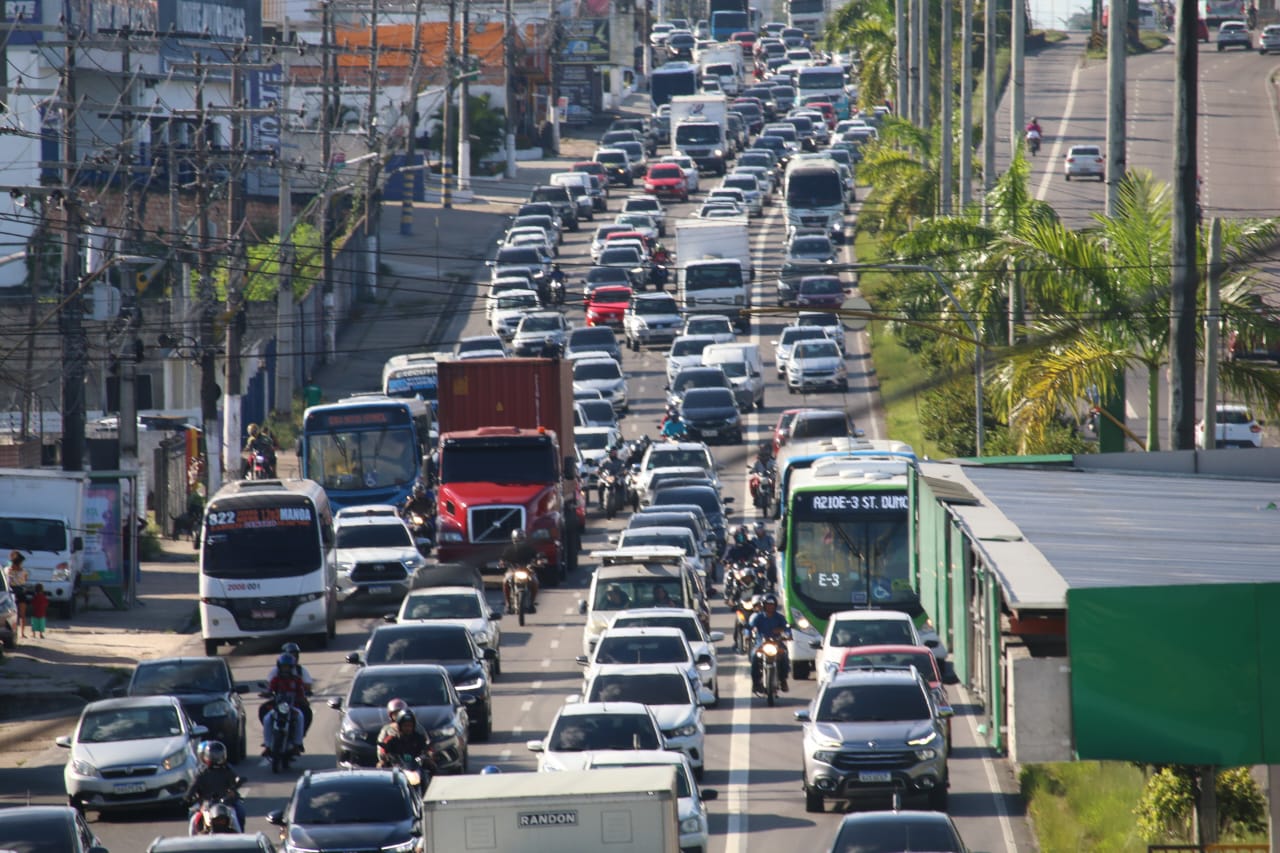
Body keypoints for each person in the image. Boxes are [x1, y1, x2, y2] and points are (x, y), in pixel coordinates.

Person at [187, 740, 245, 831]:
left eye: (219, 755)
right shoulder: (201, 771)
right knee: (193, 818)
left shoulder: (227, 769)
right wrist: (188, 796)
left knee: (239, 813)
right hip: (206, 804)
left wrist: (235, 787)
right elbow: (194, 785)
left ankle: (240, 837)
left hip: (227, 803)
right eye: (213, 755)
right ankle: (192, 841)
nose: (216, 758)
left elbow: (235, 780)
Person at [748, 594, 791, 694]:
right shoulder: (758, 617)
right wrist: (748, 633)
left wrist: (788, 635)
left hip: (776, 643)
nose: (770, 606)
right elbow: (750, 626)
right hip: (761, 644)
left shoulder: (780, 618)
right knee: (754, 657)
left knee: (784, 654)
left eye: (772, 604)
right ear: (763, 605)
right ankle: (756, 683)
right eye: (767, 604)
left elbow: (787, 628)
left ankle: (783, 679)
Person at [262, 653, 312, 733]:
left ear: (291, 668)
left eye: (287, 667)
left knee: (301, 718)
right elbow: (270, 689)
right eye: (283, 667)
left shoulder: (297, 680)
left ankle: (298, 742)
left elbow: (301, 692)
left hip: (293, 706)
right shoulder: (276, 679)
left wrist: (301, 698)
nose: (285, 669)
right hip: (278, 707)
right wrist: (267, 693)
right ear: (279, 667)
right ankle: (268, 742)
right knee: (267, 718)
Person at [500, 529, 541, 614]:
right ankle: (508, 604)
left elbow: (536, 557)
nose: (519, 540)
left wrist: (538, 562)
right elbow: (503, 559)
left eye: (521, 538)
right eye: (518, 538)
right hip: (513, 570)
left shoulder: (530, 548)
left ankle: (531, 603)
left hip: (527, 570)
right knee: (505, 582)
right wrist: (502, 563)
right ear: (513, 539)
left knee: (535, 582)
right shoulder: (509, 549)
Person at [5, 552, 28, 639]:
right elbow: (25, 579)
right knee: (22, 614)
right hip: (21, 592)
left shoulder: (7, 570)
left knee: (12, 614)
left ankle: (14, 631)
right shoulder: (23, 571)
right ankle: (22, 633)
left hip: (11, 593)